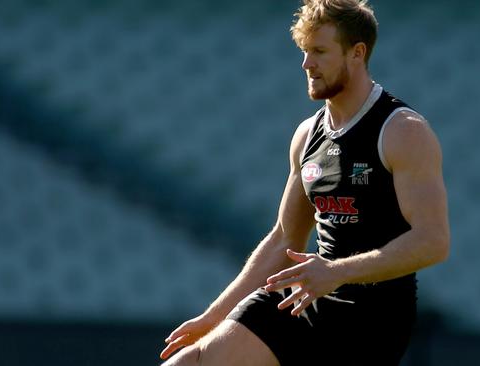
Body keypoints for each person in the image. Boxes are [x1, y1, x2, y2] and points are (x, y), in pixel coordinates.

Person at [159, 0, 450, 365]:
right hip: (304, 298)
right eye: (304, 51)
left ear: (356, 53)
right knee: (189, 361)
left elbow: (433, 241)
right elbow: (284, 237)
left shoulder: (403, 131)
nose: (306, 64)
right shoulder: (307, 135)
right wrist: (213, 318)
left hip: (373, 320)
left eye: (319, 52)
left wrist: (335, 272)